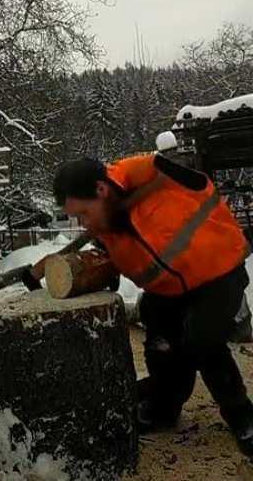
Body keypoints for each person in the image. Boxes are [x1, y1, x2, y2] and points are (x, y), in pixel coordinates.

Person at [53, 152, 253, 455]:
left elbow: (186, 179)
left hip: (220, 272)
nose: (84, 224)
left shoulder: (154, 175)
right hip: (170, 288)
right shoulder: (107, 224)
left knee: (201, 338)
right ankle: (164, 406)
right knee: (159, 334)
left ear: (101, 189)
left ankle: (241, 414)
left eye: (83, 214)